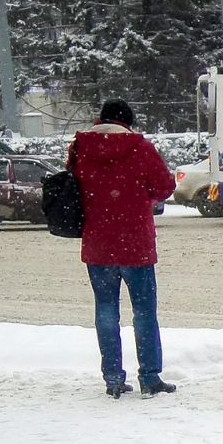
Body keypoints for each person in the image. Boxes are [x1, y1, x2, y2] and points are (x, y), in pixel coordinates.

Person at [73, 98, 177, 397]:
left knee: (106, 310)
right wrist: (139, 194)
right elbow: (165, 187)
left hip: (98, 243)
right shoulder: (140, 148)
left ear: (101, 119)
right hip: (136, 244)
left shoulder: (82, 147)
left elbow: (75, 184)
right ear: (128, 121)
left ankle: (113, 379)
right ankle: (150, 377)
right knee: (144, 312)